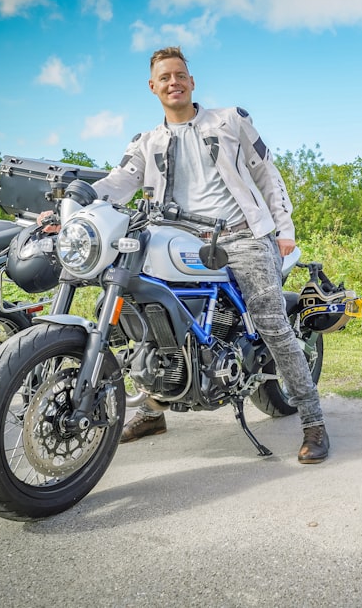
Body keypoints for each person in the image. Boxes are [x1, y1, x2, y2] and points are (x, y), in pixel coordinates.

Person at [45, 46, 329, 464]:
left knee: (270, 321)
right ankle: (154, 407)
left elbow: (266, 171)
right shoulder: (146, 141)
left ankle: (313, 422)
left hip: (241, 235)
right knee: (143, 313)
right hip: (174, 238)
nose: (173, 82)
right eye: (165, 78)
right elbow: (119, 182)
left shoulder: (231, 119)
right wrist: (71, 206)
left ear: (192, 81)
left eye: (180, 75)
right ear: (153, 87)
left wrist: (283, 229)